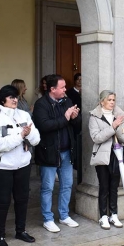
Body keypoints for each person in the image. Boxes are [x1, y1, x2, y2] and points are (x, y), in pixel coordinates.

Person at [0, 85, 40, 246]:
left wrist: (27, 135)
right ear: (3, 100)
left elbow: (36, 139)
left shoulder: (23, 114)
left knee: (22, 199)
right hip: (2, 168)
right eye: (11, 97)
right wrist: (21, 136)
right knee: (2, 202)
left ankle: (20, 230)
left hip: (23, 165)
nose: (15, 100)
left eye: (16, 97)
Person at [33, 74, 81, 232]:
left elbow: (76, 125)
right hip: (49, 152)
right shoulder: (41, 104)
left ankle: (64, 215)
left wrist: (74, 117)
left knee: (67, 185)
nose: (65, 90)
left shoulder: (67, 100)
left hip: (66, 151)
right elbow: (45, 126)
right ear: (52, 89)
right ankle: (48, 218)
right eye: (62, 87)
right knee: (47, 187)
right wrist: (66, 117)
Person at [89, 90, 124, 229]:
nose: (112, 102)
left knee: (114, 186)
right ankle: (103, 216)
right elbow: (96, 137)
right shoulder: (94, 116)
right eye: (109, 100)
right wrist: (113, 127)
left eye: (113, 100)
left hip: (117, 154)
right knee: (104, 186)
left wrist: (118, 126)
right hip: (102, 155)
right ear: (102, 101)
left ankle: (114, 214)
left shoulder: (119, 115)